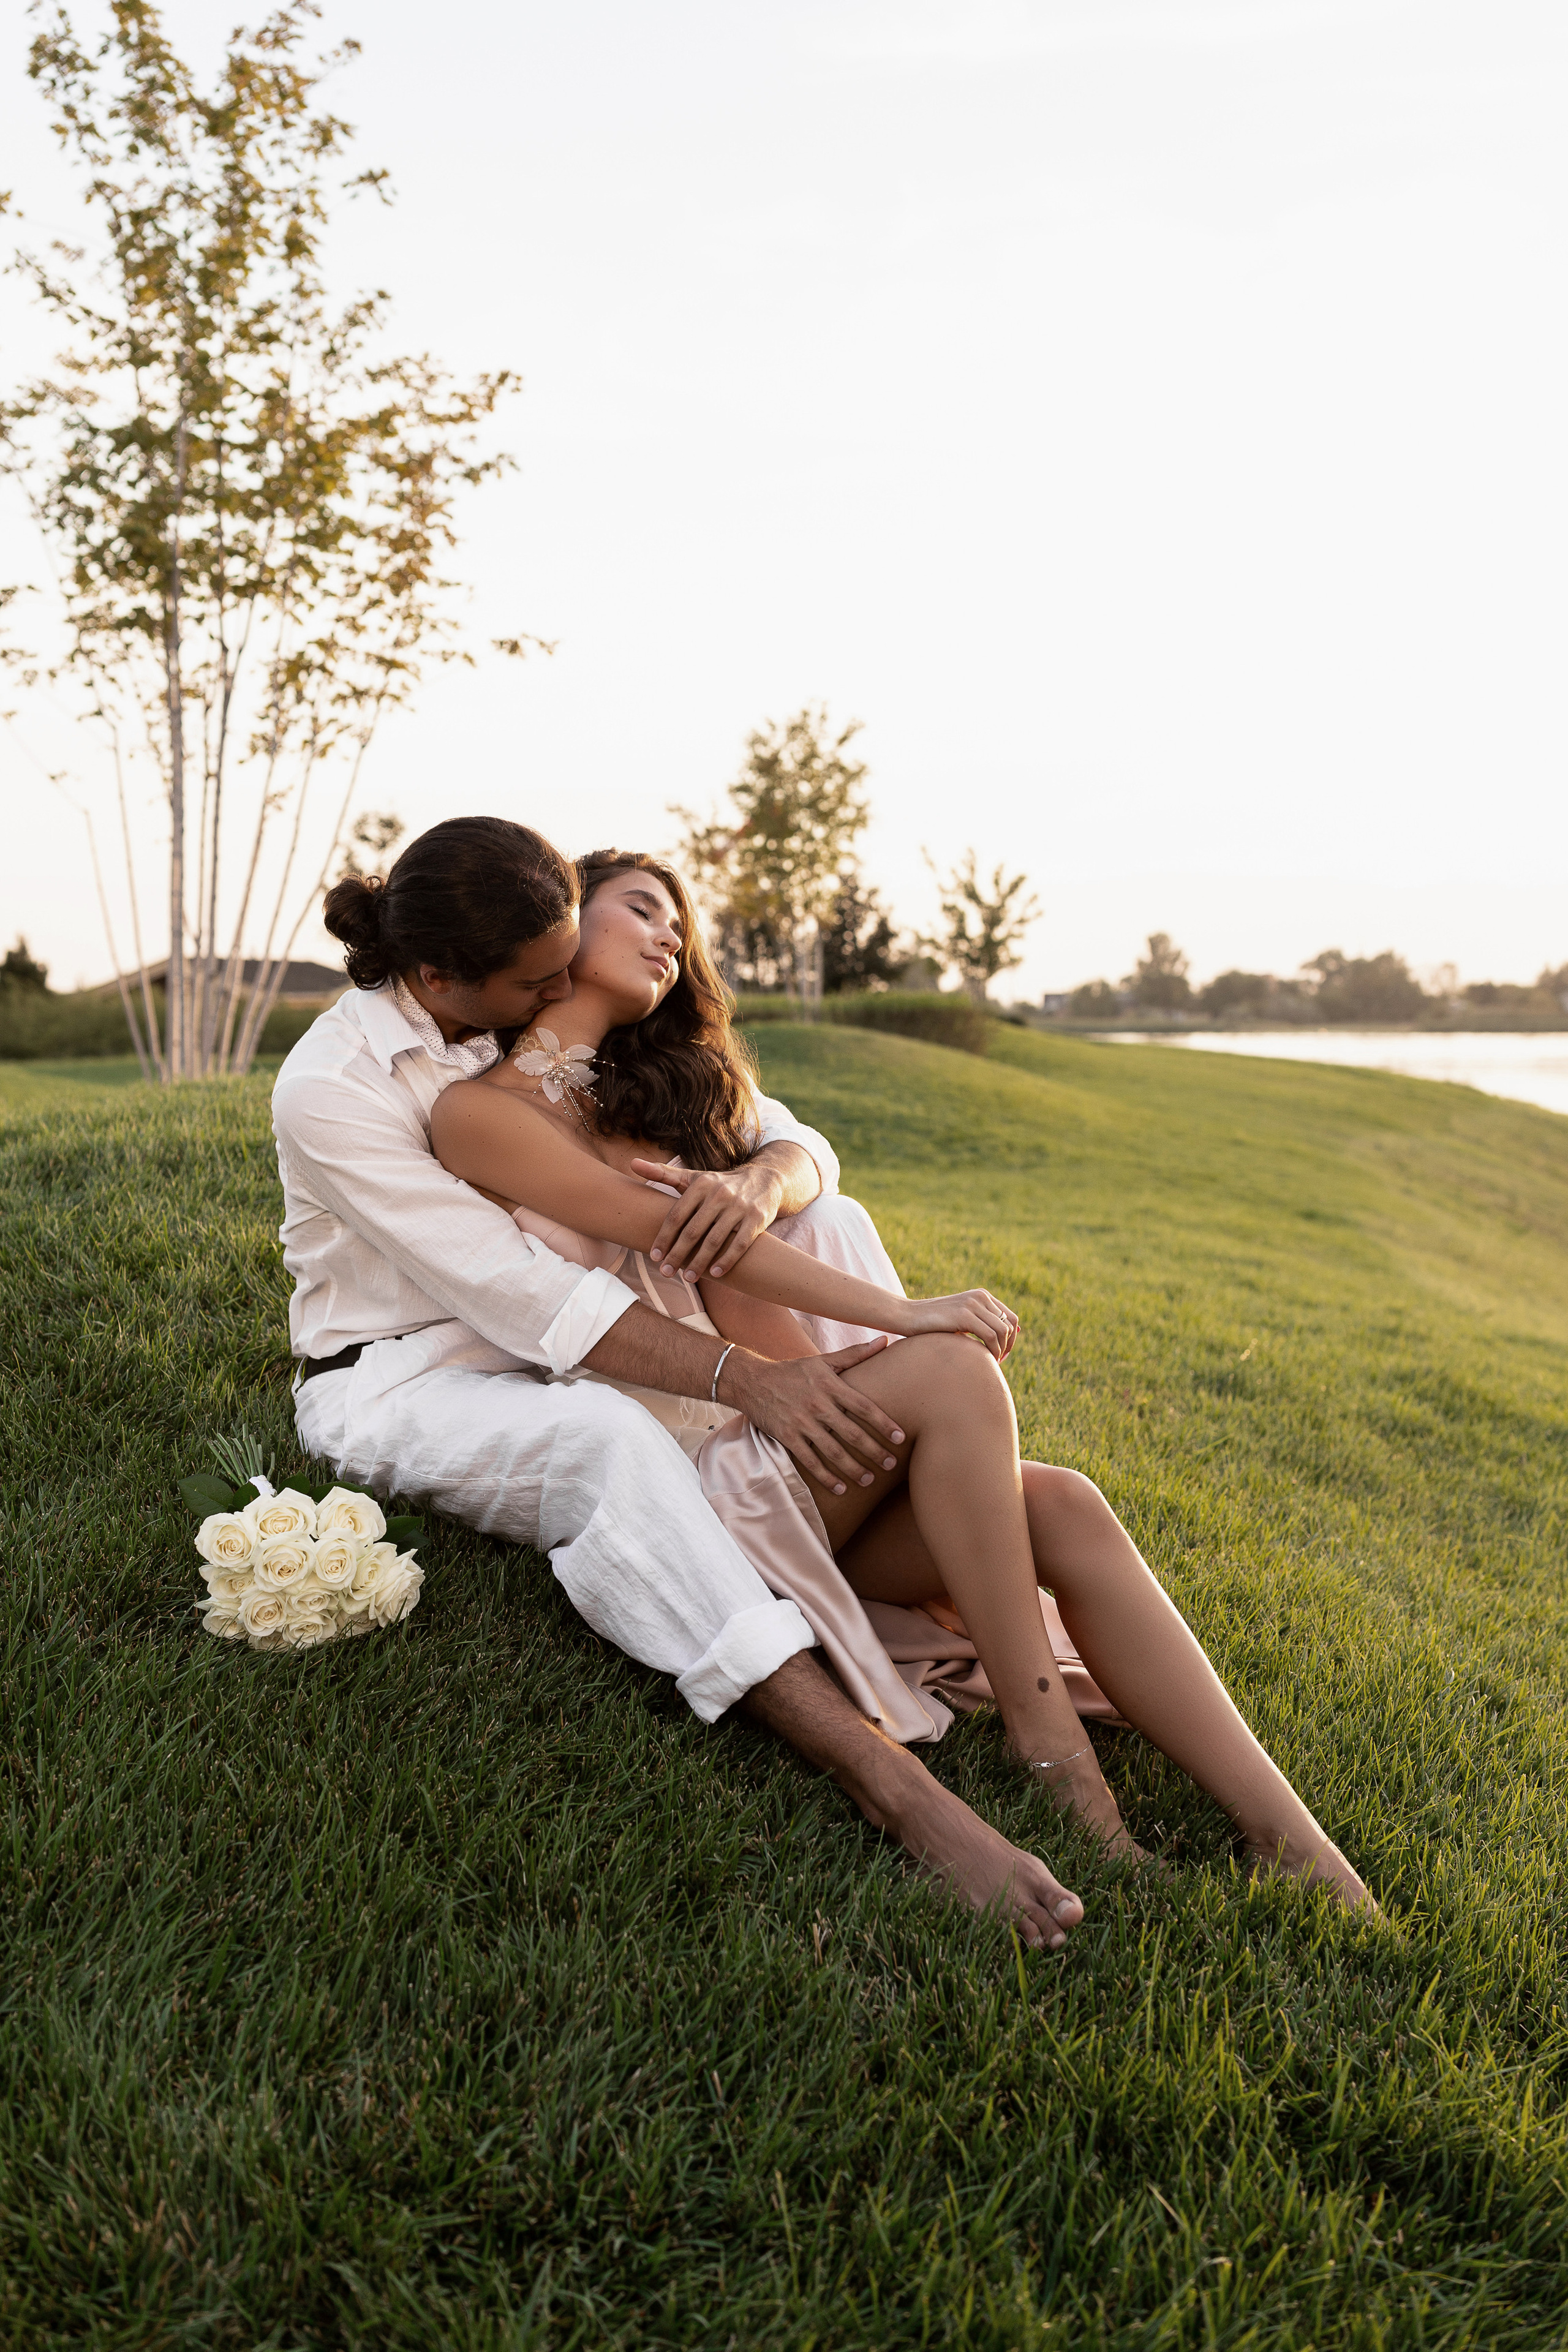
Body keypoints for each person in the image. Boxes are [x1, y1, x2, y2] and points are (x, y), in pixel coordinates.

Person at [429, 848, 1374, 1915]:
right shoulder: (480, 1115)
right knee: (952, 1366)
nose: (669, 938)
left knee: (1061, 1501)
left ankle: (1293, 1841)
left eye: (677, 928)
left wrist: (801, 1272)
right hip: (684, 1484)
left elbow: (784, 1187)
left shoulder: (662, 1103)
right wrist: (907, 1318)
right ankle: (1049, 1745)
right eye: (642, 910)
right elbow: (677, 1240)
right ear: (562, 928)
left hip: (772, 1441)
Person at [273, 816, 1091, 1953]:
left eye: (572, 956)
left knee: (787, 1271)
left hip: (551, 1341)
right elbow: (530, 1302)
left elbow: (792, 1140)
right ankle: (883, 1777)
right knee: (603, 1442)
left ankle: (918, 1553)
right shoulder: (335, 1090)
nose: (570, 986)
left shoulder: (519, 991)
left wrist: (763, 1178)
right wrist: (746, 1380)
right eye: (542, 980)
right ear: (439, 978)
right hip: (405, 1375)